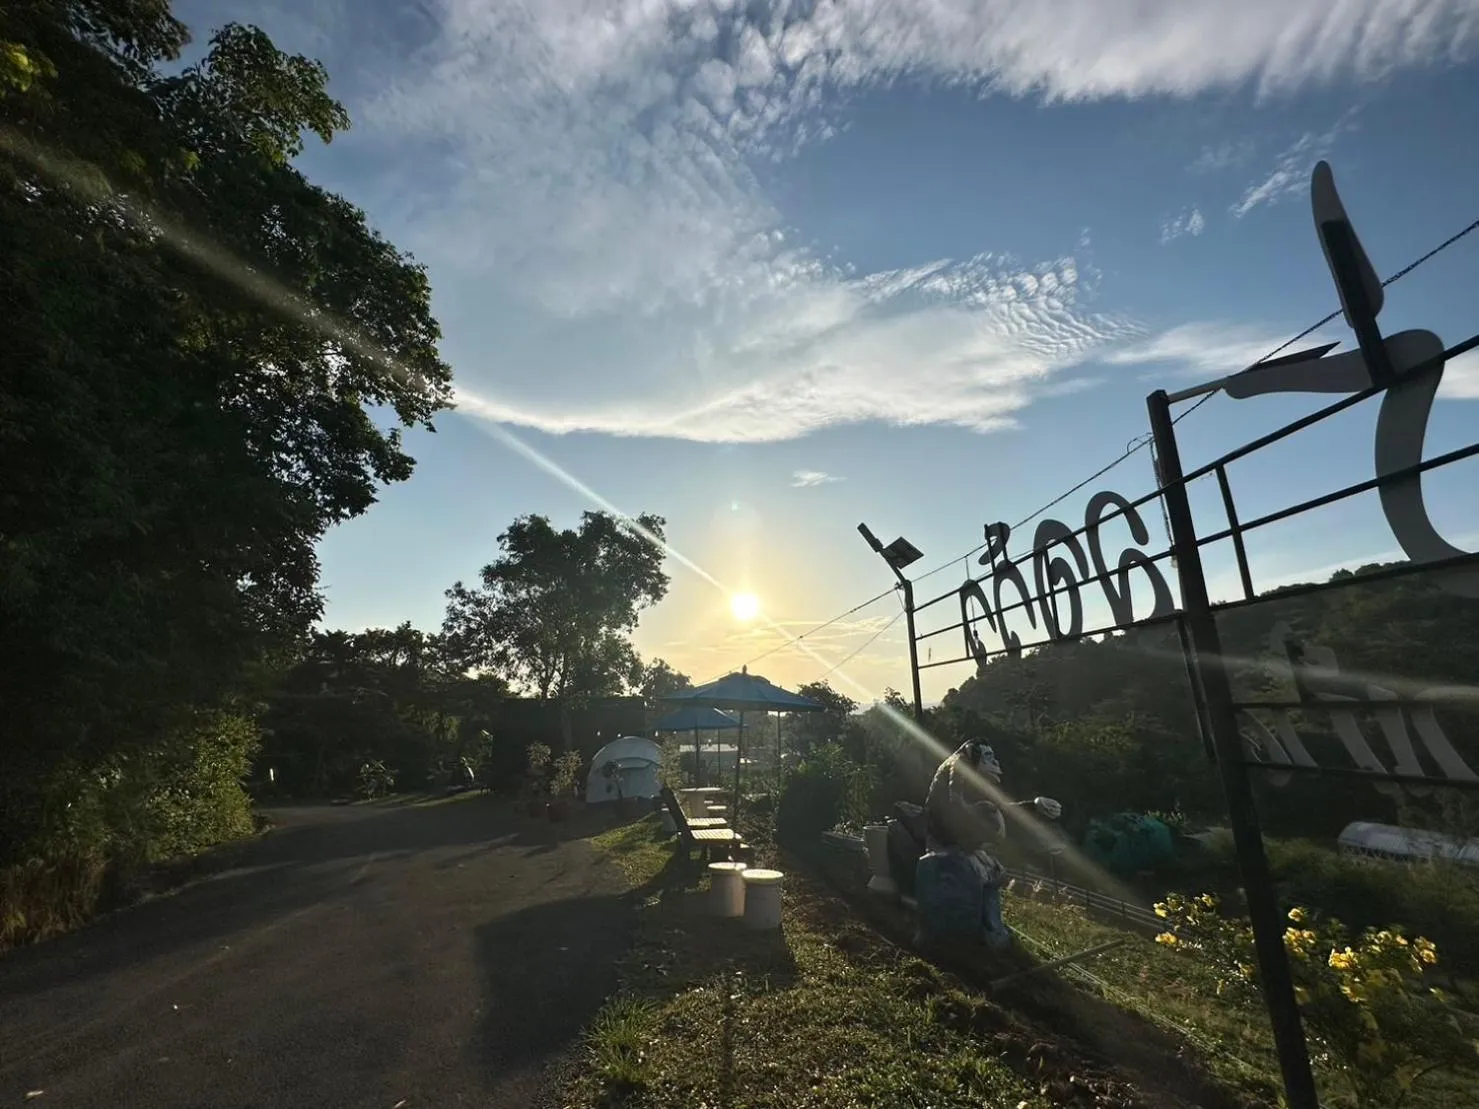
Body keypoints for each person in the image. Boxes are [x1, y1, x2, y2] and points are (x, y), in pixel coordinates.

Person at [915, 739, 1061, 948]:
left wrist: (1034, 805)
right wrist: (982, 819)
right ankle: (976, 931)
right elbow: (955, 804)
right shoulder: (959, 766)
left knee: (992, 872)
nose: (996, 763)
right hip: (942, 841)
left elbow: (1002, 809)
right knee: (978, 865)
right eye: (989, 757)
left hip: (960, 843)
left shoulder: (973, 780)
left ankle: (992, 927)